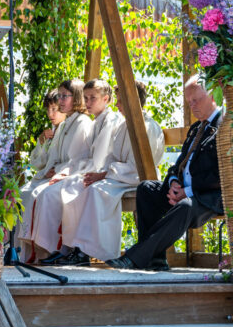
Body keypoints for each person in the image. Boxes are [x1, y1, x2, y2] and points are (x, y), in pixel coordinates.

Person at [107, 76, 223, 271]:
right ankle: (156, 260)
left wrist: (189, 191)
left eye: (196, 100)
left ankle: (135, 258)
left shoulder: (224, 127)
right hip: (185, 191)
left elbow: (220, 176)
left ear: (212, 96)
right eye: (188, 101)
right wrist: (174, 182)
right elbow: (178, 165)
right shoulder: (196, 128)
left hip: (208, 197)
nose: (192, 106)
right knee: (146, 189)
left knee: (186, 206)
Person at [63, 81, 166, 264]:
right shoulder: (125, 125)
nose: (117, 105)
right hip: (119, 176)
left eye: (120, 101)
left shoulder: (147, 127)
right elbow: (112, 157)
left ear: (133, 101)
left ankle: (97, 252)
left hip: (137, 178)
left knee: (97, 192)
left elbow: (138, 166)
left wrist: (104, 175)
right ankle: (80, 249)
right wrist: (102, 173)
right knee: (85, 188)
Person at [31, 78, 126, 265]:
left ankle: (76, 250)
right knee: (55, 190)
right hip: (90, 171)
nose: (88, 102)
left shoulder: (108, 120)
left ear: (106, 99)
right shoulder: (96, 121)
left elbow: (98, 160)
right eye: (86, 98)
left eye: (93, 98)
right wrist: (66, 171)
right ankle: (63, 249)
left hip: (105, 173)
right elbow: (82, 158)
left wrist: (69, 172)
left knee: (64, 192)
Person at [16, 79, 93, 262]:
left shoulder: (83, 123)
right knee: (25, 193)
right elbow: (52, 158)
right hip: (61, 173)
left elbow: (77, 159)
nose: (60, 101)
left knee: (44, 195)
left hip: (75, 175)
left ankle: (50, 249)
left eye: (64, 96)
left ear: (76, 97)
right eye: (59, 96)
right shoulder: (66, 124)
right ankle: (25, 251)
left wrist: (55, 171)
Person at [28, 89, 66, 173]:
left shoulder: (68, 129)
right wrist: (41, 143)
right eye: (48, 110)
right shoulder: (49, 133)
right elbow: (35, 165)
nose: (50, 114)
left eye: (54, 109)